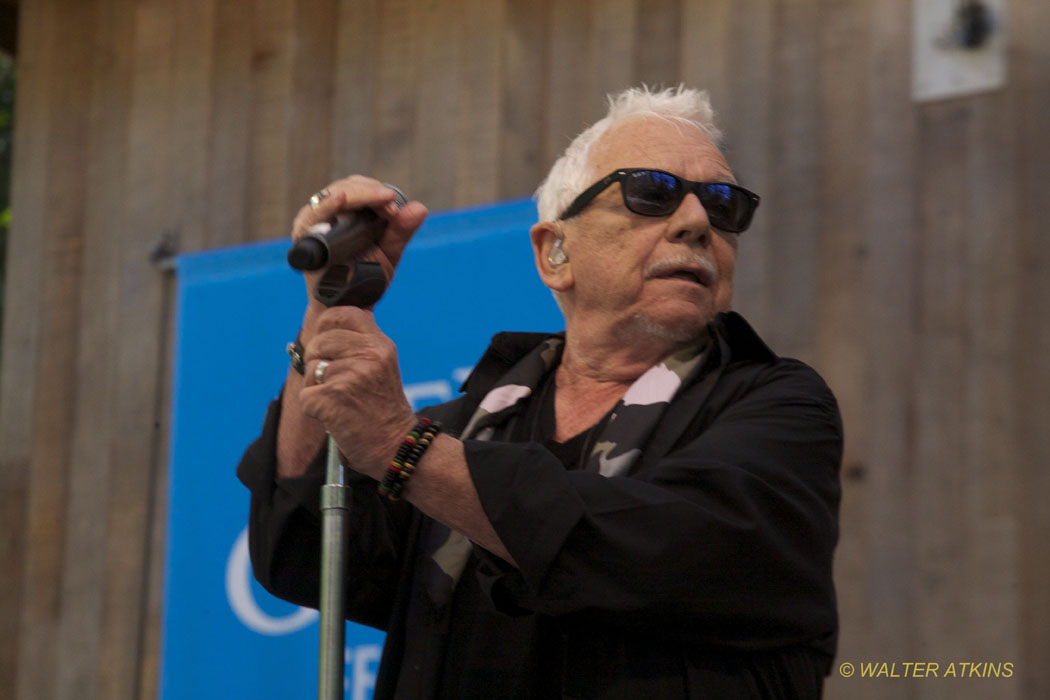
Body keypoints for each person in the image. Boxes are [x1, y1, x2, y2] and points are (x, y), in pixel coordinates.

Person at [237, 86, 842, 699]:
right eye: (651, 193)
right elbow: (300, 548)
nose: (694, 224)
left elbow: (658, 549)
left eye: (722, 205)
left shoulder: (779, 407)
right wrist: (329, 302)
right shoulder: (468, 424)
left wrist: (404, 447)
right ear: (555, 252)